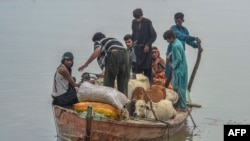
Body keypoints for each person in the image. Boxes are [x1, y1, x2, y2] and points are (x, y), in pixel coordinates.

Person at [78, 32, 130, 96]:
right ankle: (124, 103)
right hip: (126, 55)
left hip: (114, 54)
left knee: (109, 82)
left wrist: (86, 64)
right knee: (123, 82)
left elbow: (97, 51)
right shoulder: (112, 39)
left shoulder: (98, 41)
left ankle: (108, 101)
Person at [165, 12, 202, 88]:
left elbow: (188, 41)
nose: (177, 23)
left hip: (180, 54)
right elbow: (182, 37)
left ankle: (178, 88)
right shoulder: (173, 29)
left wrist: (197, 46)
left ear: (183, 20)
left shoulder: (185, 30)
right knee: (170, 72)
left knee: (179, 72)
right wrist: (194, 38)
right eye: (176, 21)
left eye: (179, 21)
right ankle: (167, 87)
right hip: (172, 53)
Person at [163, 29, 188, 110]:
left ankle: (182, 106)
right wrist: (170, 55)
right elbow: (175, 53)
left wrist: (172, 66)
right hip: (181, 68)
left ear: (171, 38)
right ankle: (178, 103)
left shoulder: (175, 45)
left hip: (180, 69)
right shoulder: (178, 42)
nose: (167, 41)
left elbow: (178, 59)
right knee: (177, 86)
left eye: (167, 39)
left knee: (180, 88)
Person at [131, 8, 157, 85]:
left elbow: (153, 36)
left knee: (147, 71)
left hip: (146, 50)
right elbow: (133, 34)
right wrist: (132, 43)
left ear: (142, 15)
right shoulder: (133, 22)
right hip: (137, 49)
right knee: (136, 70)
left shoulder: (148, 22)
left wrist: (148, 45)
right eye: (136, 18)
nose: (138, 20)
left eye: (139, 18)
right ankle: (136, 87)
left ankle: (149, 87)